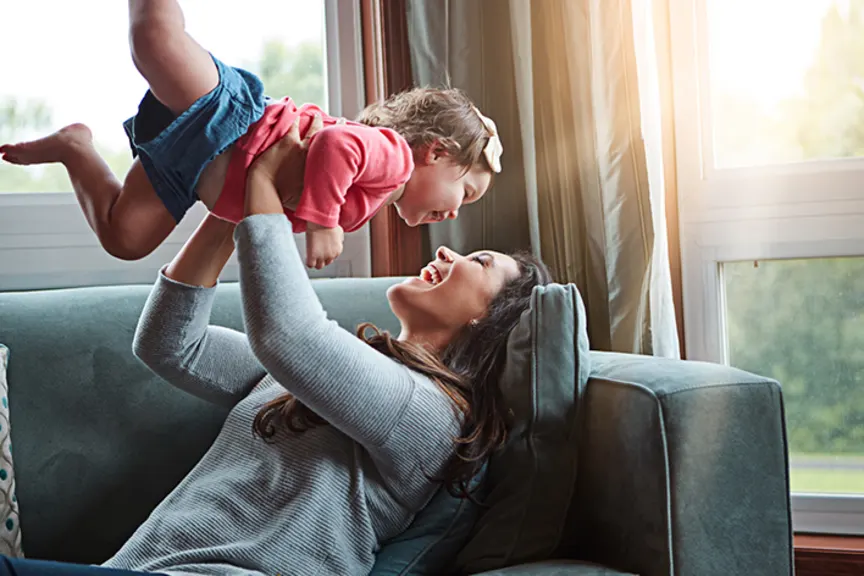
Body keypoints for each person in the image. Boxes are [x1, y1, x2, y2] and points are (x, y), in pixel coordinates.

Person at [0, 99, 550, 576]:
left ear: (491, 318)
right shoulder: (347, 371)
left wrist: (264, 185)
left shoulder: (432, 417)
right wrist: (234, 201)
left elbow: (289, 337)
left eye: (479, 261)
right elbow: (171, 345)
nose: (447, 250)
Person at [0, 0, 503, 269]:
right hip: (232, 125)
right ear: (437, 152)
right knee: (153, 39)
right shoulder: (393, 159)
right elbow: (335, 145)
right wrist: (323, 222)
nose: (456, 211)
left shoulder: (370, 202)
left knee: (125, 239)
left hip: (194, 174)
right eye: (467, 191)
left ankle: (75, 148)